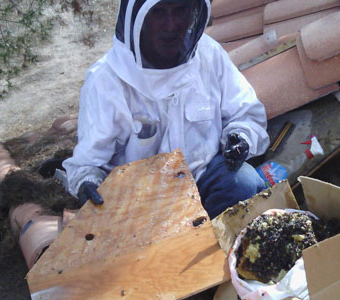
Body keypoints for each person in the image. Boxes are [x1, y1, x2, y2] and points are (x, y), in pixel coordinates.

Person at [62, 0, 270, 218]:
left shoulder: (209, 54)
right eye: (158, 12)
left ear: (193, 13)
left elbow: (245, 113)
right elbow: (88, 163)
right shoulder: (106, 81)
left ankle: (226, 245)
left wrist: (241, 137)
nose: (170, 25)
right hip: (141, 202)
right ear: (138, 20)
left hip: (204, 179)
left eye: (180, 10)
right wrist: (87, 183)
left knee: (244, 184)